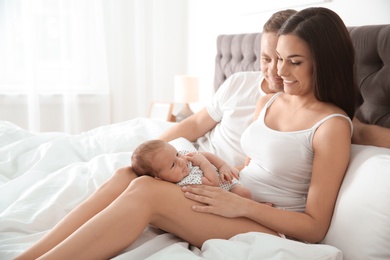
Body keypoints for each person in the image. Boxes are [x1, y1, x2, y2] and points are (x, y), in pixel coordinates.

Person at [16, 7, 356, 259]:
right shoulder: (270, 101)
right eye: (277, 58)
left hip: (268, 222)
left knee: (147, 193)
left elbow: (315, 227)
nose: (279, 71)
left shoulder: (331, 127)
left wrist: (239, 205)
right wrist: (218, 174)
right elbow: (252, 166)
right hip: (232, 196)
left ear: (324, 62)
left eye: (293, 62)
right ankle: (30, 255)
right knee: (129, 174)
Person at [159, 9, 297, 168]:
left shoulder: (296, 109)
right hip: (189, 154)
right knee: (127, 172)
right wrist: (152, 149)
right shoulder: (239, 81)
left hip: (217, 174)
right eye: (266, 59)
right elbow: (196, 124)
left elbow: (256, 168)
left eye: (280, 59)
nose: (273, 70)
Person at [131, 140, 252, 199]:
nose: (180, 161)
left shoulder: (182, 157)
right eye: (173, 165)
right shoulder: (185, 183)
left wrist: (223, 166)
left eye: (177, 154)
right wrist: (203, 163)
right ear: (159, 178)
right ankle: (254, 209)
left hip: (224, 176)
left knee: (237, 174)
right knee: (244, 193)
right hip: (226, 190)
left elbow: (205, 155)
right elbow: (213, 183)